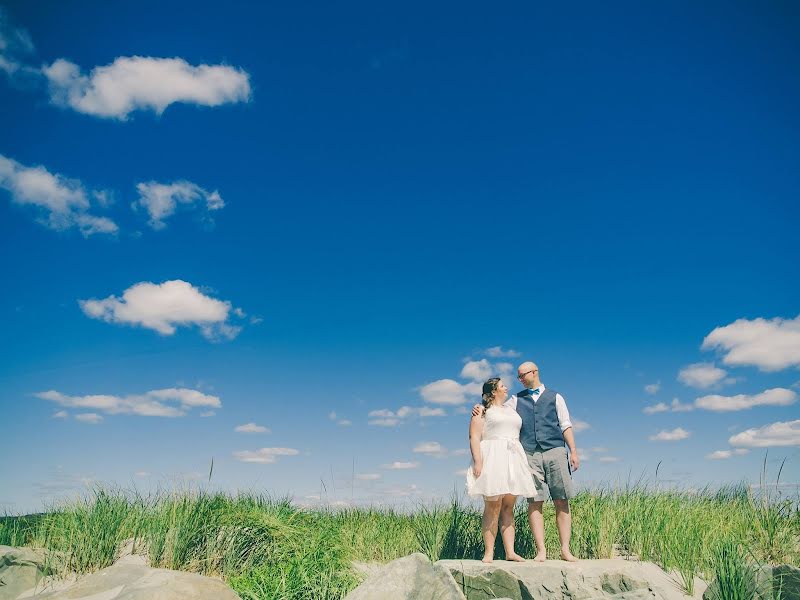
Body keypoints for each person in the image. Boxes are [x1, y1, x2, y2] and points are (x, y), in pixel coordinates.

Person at [472, 361, 580, 562]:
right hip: (529, 453)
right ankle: (541, 551)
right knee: (535, 501)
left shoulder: (555, 397)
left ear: (535, 372)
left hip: (555, 450)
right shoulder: (515, 400)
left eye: (522, 375)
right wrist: (479, 408)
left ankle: (565, 549)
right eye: (518, 376)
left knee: (562, 499)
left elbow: (566, 425)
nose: (519, 380)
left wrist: (573, 451)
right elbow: (494, 411)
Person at [466, 377, 538, 563]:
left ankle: (510, 552)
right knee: (493, 505)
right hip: (493, 456)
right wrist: (478, 462)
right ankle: (489, 552)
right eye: (502, 386)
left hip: (513, 456)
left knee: (508, 506)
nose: (506, 388)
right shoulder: (482, 410)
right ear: (492, 392)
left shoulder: (511, 408)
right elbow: (474, 437)